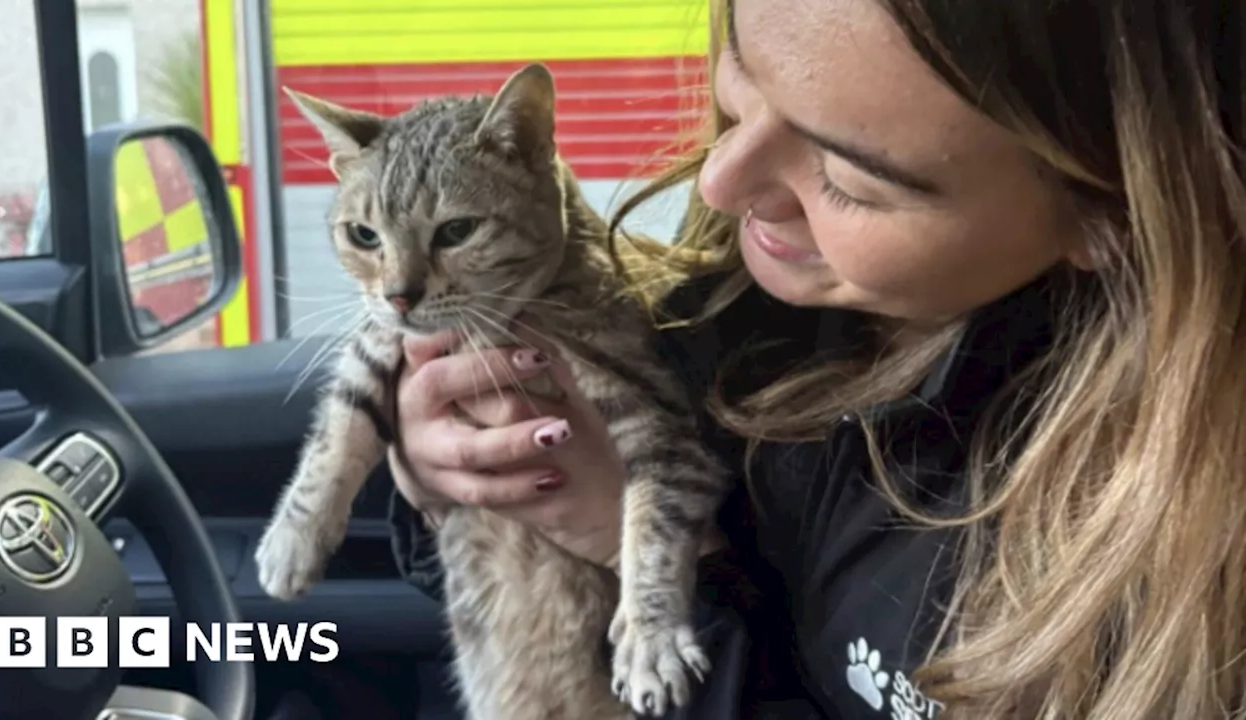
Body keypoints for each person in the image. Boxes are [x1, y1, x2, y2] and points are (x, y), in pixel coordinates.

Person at [385, 1, 1246, 718]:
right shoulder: (724, 316)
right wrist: (463, 488)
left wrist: (673, 572)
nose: (719, 180)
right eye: (741, 77)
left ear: (1113, 216)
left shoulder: (1146, 578)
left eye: (849, 178)